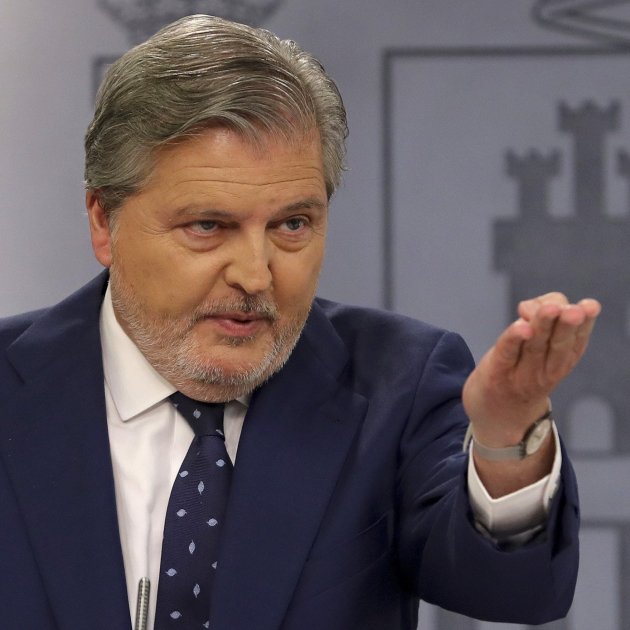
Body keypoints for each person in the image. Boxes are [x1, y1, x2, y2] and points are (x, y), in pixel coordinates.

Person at [0, 14, 599, 630]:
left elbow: (515, 594)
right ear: (103, 221)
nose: (256, 276)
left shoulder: (398, 384)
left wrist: (507, 441)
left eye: (291, 225)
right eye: (207, 226)